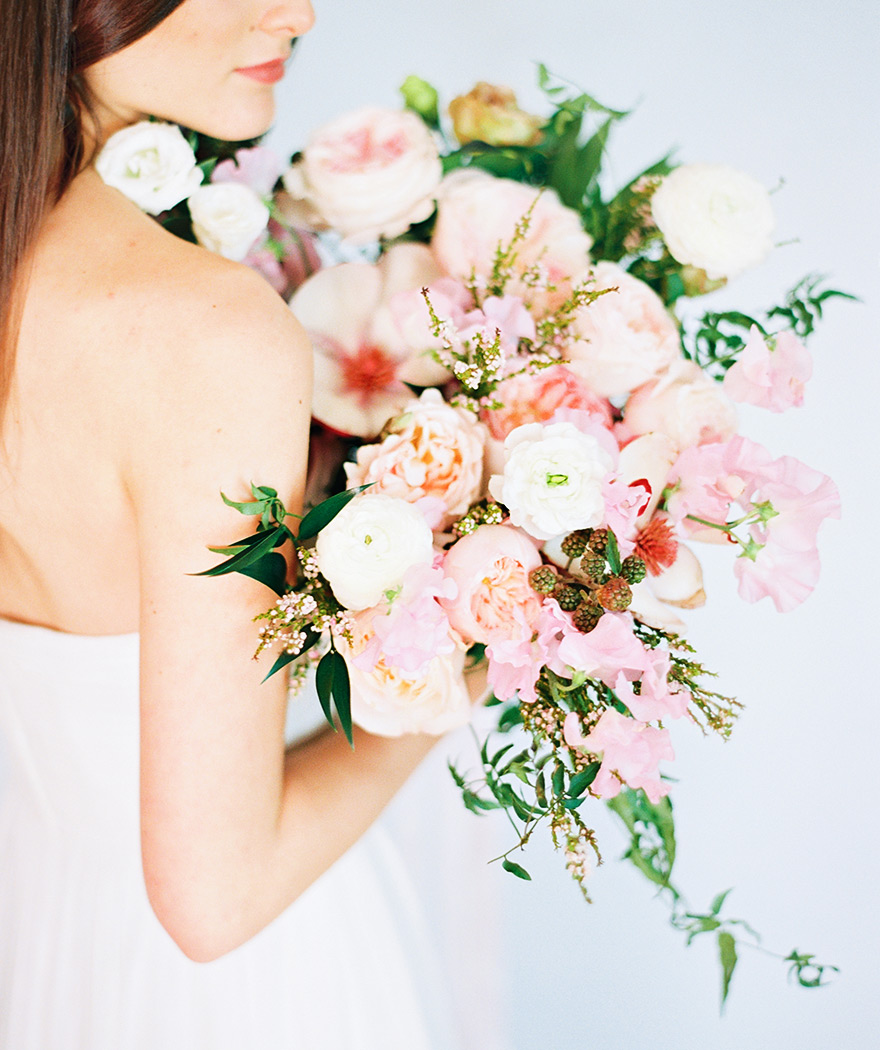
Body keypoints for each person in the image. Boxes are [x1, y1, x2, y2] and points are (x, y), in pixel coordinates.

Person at [0, 3, 494, 1047]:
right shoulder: (200, 328)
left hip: (45, 942)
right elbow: (214, 899)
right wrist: (482, 647)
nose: (298, 11)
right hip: (244, 998)